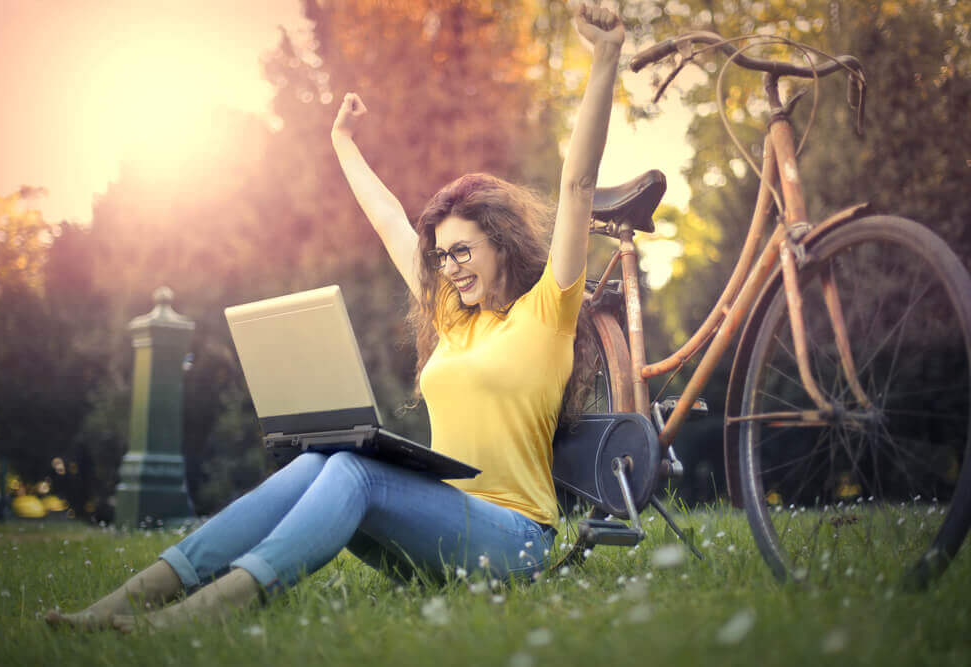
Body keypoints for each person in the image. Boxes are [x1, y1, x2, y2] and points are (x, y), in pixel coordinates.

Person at [45, 3, 624, 633]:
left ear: (502, 244)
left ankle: (208, 610)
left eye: (463, 251)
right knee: (322, 462)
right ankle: (132, 597)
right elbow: (388, 219)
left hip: (516, 542)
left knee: (351, 470)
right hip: (435, 531)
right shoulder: (455, 320)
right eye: (441, 255)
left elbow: (577, 186)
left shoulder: (548, 309)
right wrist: (341, 143)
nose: (449, 268)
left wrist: (605, 58)